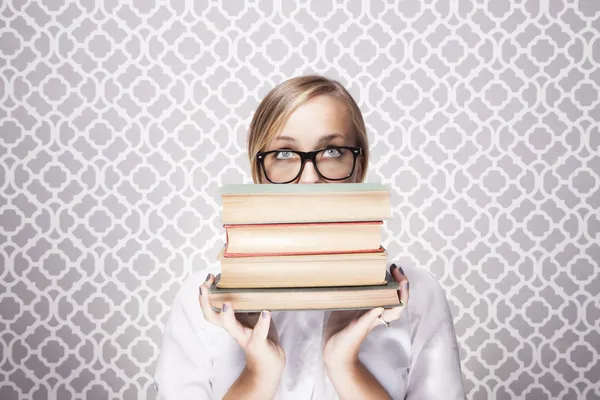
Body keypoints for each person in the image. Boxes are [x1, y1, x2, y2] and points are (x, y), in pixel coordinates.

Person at [154, 76, 466, 399]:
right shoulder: (204, 304)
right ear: (259, 173)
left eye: (332, 151)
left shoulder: (419, 297)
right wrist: (258, 372)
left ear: (359, 167)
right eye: (285, 154)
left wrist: (345, 366)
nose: (309, 178)